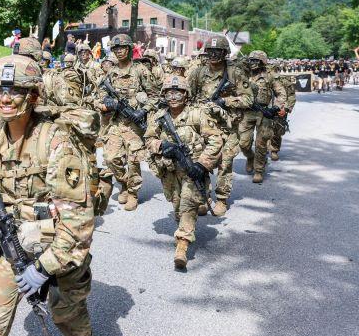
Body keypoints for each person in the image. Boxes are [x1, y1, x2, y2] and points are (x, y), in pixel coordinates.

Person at [0, 55, 96, 336]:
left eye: (15, 91)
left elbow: (78, 220)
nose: (5, 98)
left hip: (57, 245)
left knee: (67, 316)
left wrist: (44, 267)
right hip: (12, 242)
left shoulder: (55, 140)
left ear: (32, 95)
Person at [145, 76, 223, 268]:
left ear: (185, 94)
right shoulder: (158, 117)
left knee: (188, 204)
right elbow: (148, 140)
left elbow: (216, 140)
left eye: (177, 92)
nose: (173, 97)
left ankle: (182, 244)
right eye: (169, 93)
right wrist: (162, 146)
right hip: (169, 170)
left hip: (192, 170)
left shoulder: (197, 115)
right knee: (177, 203)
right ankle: (185, 225)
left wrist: (202, 164)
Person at [188, 37, 253, 215]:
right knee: (202, 161)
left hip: (229, 126)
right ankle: (204, 197)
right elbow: (188, 96)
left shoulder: (235, 73)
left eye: (218, 52)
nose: (214, 55)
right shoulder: (198, 73)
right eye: (210, 51)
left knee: (225, 163)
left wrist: (225, 101)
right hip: (204, 125)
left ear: (225, 53)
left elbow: (248, 99)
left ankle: (222, 199)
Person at [97, 34, 156, 211]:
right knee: (110, 157)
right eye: (115, 49)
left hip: (135, 125)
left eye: (122, 48)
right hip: (116, 123)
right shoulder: (111, 73)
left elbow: (155, 96)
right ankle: (123, 182)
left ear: (130, 49)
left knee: (134, 160)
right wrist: (107, 104)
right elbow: (99, 95)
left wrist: (142, 111)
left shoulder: (141, 70)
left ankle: (132, 193)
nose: (119, 51)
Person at [238, 51, 286, 184]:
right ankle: (250, 157)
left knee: (261, 143)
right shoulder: (243, 75)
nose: (253, 63)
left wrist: (276, 108)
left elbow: (281, 93)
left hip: (264, 113)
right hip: (246, 111)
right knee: (243, 143)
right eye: (251, 60)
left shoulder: (269, 77)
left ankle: (259, 170)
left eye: (256, 61)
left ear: (262, 62)